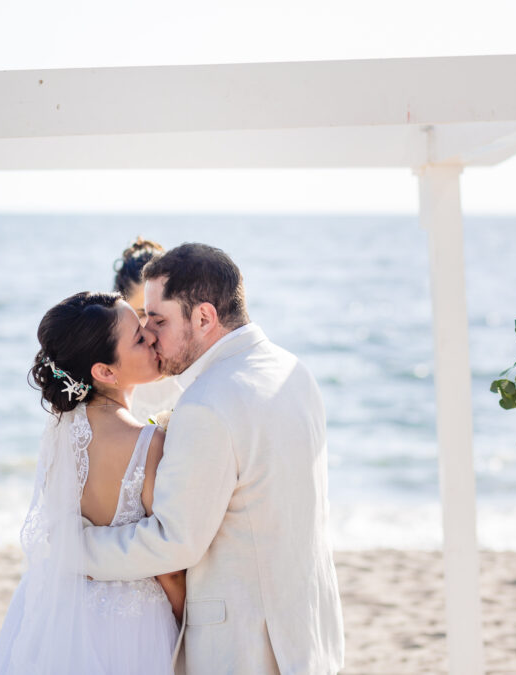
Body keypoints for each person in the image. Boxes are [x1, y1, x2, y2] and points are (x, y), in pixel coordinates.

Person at [83, 243, 345, 674]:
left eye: (159, 319)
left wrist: (79, 548)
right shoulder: (293, 370)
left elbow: (174, 542)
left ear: (204, 317)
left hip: (246, 648)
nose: (147, 333)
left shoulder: (206, 405)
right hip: (308, 634)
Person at [0, 292, 183, 674]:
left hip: (57, 610)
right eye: (139, 339)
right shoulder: (148, 444)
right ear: (105, 372)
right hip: (133, 623)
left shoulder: (60, 432)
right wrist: (181, 618)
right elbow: (169, 564)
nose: (152, 339)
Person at [113, 237, 184, 423]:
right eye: (142, 314)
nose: (152, 330)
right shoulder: (106, 385)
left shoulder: (197, 377)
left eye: (162, 316)